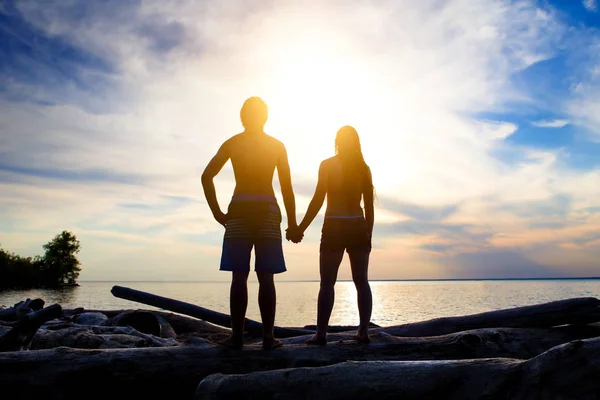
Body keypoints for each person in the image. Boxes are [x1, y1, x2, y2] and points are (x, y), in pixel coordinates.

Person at [201, 96, 297, 349]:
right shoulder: (276, 145)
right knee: (266, 278)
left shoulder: (234, 143)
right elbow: (287, 188)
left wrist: (217, 213)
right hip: (266, 210)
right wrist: (293, 223)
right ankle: (267, 337)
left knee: (239, 277)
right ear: (264, 117)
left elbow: (206, 176)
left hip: (240, 210)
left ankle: (237, 337)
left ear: (243, 116)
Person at [288, 125, 374, 345]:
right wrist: (368, 236)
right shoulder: (363, 168)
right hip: (357, 226)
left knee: (327, 283)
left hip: (334, 226)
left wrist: (300, 228)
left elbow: (318, 200)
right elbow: (370, 207)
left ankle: (321, 334)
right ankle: (363, 331)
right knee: (361, 282)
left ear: (337, 142)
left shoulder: (327, 165)